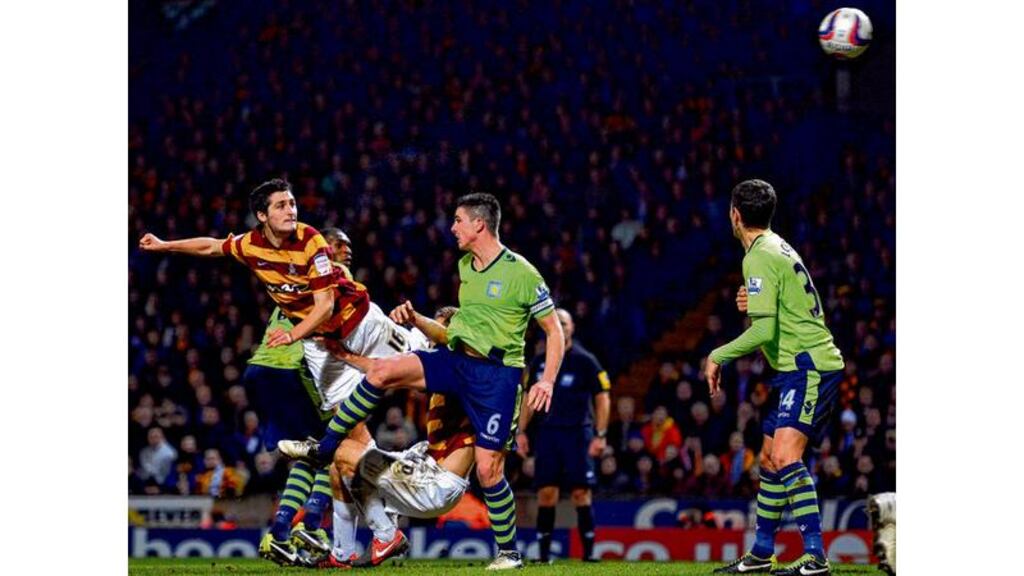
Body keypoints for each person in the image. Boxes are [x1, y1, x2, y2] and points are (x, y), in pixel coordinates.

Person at [138, 180, 429, 566]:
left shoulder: (312, 242)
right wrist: (165, 245)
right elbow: (212, 245)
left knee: (431, 363)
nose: (291, 210)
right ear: (262, 216)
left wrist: (291, 333)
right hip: (325, 351)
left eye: (292, 203)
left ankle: (481, 383)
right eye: (281, 206)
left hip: (362, 326)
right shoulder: (251, 244)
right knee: (344, 442)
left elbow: (325, 305)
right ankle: (375, 533)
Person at [280, 192, 565, 570]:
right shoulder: (466, 266)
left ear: (479, 223)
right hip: (457, 365)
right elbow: (455, 333)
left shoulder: (522, 273)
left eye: (458, 220)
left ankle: (507, 552)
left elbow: (554, 331)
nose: (452, 227)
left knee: (488, 470)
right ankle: (327, 457)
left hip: (497, 378)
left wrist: (545, 381)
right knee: (382, 373)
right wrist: (415, 320)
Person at [706, 179, 844, 576]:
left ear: (735, 214)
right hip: (793, 369)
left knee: (785, 457)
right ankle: (762, 552)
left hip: (809, 367)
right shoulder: (774, 246)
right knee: (768, 460)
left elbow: (764, 333)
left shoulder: (758, 256)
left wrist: (717, 355)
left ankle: (816, 556)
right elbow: (781, 314)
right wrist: (757, 303)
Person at [516, 308, 611, 563]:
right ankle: (544, 556)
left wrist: (600, 435)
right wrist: (521, 432)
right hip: (547, 435)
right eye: (556, 322)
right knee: (546, 493)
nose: (561, 326)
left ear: (572, 328)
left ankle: (590, 554)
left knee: (581, 493)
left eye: (565, 323)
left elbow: (602, 398)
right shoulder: (539, 361)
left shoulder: (585, 360)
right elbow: (528, 399)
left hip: (578, 434)